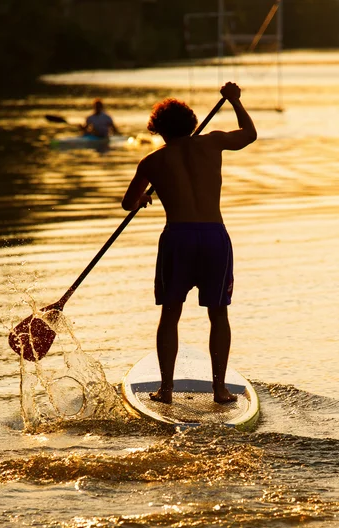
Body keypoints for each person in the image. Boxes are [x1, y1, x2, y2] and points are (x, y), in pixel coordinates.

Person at [121, 82, 257, 405]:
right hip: (214, 237)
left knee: (170, 314)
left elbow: (128, 203)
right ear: (192, 123)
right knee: (218, 314)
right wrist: (235, 101)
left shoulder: (152, 162)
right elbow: (249, 134)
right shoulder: (212, 144)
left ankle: (166, 390)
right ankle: (220, 390)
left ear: (158, 130)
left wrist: (142, 199)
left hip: (178, 239)